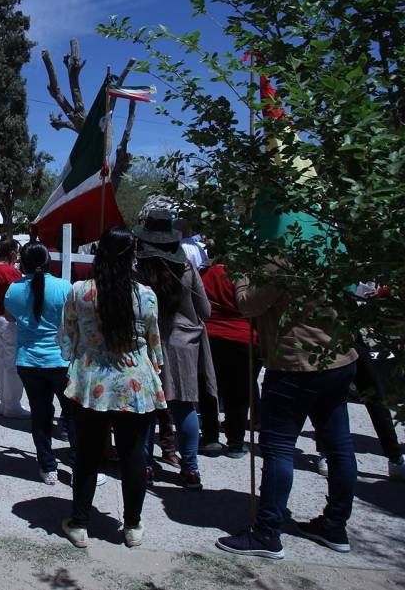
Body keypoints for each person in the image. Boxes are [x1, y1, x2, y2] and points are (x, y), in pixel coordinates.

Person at [216, 262, 359, 560]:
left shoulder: (280, 257)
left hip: (296, 363)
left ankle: (266, 532)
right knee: (339, 447)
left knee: (278, 448)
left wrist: (242, 274)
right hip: (338, 356)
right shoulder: (330, 246)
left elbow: (248, 304)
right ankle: (335, 525)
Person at [58, 227, 165, 549]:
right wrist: (154, 366)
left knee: (88, 454)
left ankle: (80, 523)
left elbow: (67, 335)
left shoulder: (80, 291)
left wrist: (77, 356)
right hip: (135, 382)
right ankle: (132, 525)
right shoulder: (145, 295)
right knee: (133, 454)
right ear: (132, 256)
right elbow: (154, 341)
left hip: (91, 380)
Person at [134, 209, 215, 490]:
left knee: (146, 410)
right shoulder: (187, 269)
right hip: (183, 345)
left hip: (146, 345)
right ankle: (190, 469)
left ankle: (145, 466)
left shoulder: (139, 271)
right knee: (184, 408)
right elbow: (205, 309)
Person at [6, 242, 77, 484]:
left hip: (29, 361)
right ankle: (78, 464)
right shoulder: (65, 287)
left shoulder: (14, 289)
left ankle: (47, 466)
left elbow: (10, 316)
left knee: (40, 414)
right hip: (61, 360)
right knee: (72, 415)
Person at [198, 258, 259, 458]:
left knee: (208, 390)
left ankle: (210, 438)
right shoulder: (244, 275)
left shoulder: (205, 274)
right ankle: (236, 443)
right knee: (239, 394)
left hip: (211, 336)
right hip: (242, 337)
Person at [0, 238, 29, 418]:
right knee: (12, 363)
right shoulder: (11, 272)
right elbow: (20, 296)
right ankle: (12, 405)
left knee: (1, 360)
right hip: (9, 319)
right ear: (11, 254)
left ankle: (5, 401)